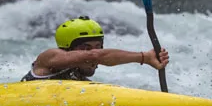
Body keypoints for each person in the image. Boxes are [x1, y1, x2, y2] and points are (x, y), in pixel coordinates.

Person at [21, 16, 169, 82]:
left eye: (99, 47)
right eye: (85, 48)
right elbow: (94, 56)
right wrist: (144, 57)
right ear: (67, 49)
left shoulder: (81, 81)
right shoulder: (49, 58)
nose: (94, 53)